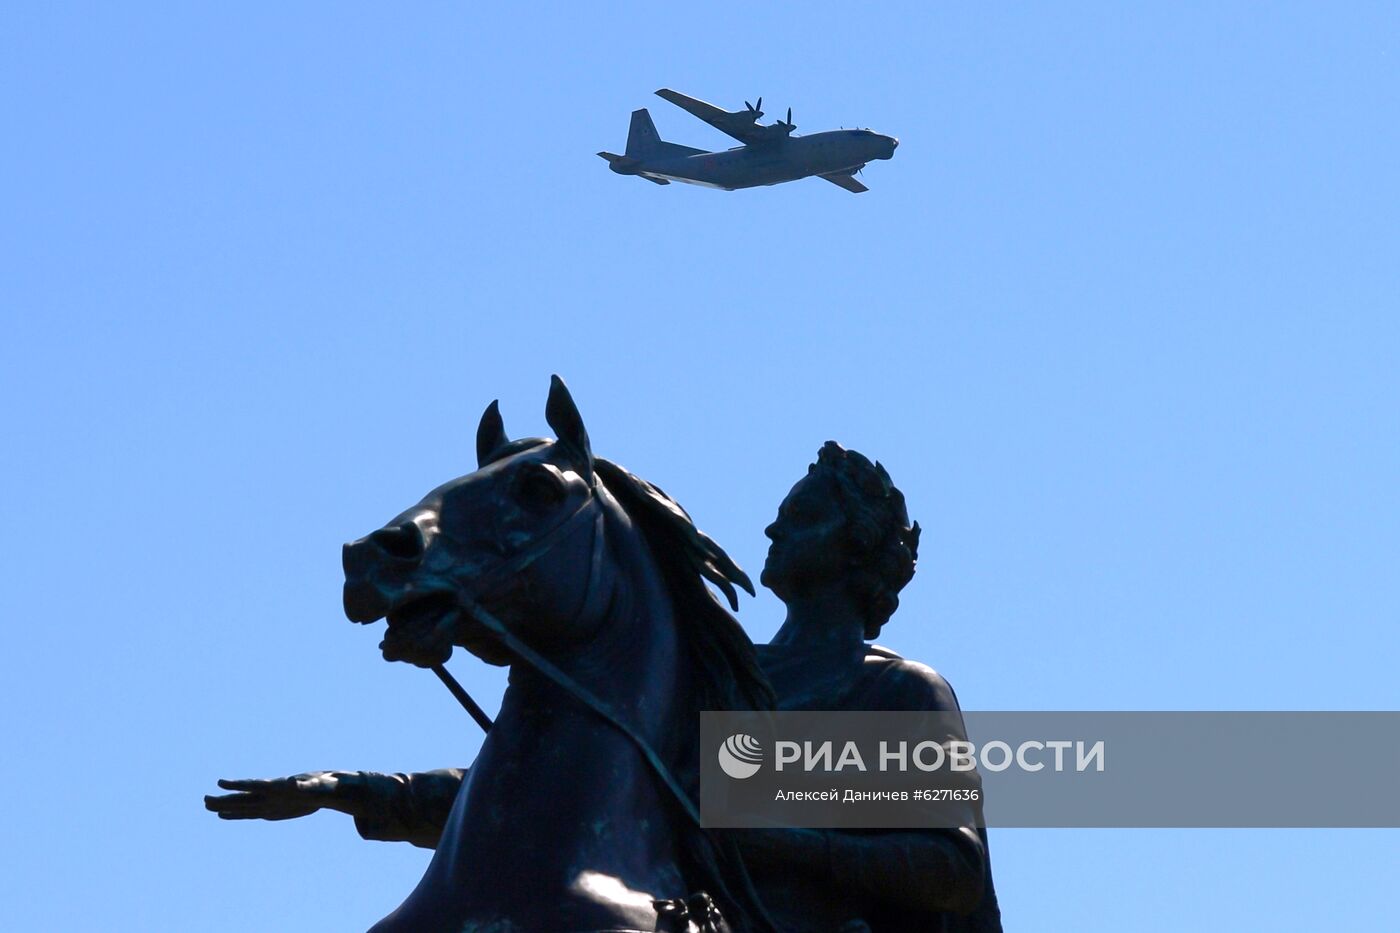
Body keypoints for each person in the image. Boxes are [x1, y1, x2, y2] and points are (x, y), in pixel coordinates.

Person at [207, 442, 1001, 931]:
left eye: (799, 517)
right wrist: (353, 789)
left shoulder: (897, 688)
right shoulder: (717, 680)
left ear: (858, 547)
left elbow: (951, 872)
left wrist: (769, 837)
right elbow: (577, 794)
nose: (771, 531)